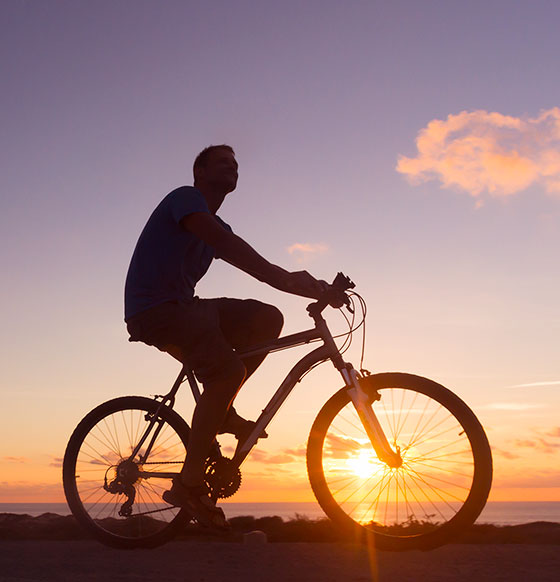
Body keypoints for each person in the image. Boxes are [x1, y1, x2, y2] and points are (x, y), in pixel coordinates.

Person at [124, 145, 325, 529]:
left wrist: (314, 287)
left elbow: (245, 260)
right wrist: (287, 278)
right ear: (199, 171)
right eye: (223, 162)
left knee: (266, 318)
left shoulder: (219, 228)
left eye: (236, 164)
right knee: (227, 372)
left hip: (186, 306)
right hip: (156, 310)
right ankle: (189, 482)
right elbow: (242, 255)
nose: (233, 167)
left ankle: (221, 406)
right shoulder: (186, 199)